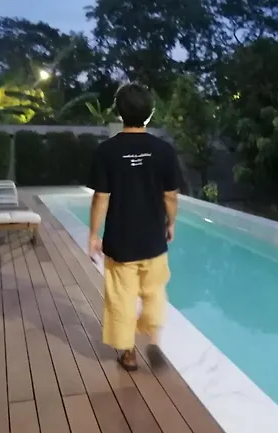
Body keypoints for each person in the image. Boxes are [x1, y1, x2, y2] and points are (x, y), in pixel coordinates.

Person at [87, 82, 180, 372]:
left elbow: (101, 197)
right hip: (153, 240)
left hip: (120, 241)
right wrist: (171, 223)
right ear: (150, 113)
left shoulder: (106, 151)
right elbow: (170, 196)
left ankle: (128, 354)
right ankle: (153, 340)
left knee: (121, 298)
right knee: (154, 292)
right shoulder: (163, 150)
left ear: (119, 113)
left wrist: (93, 234)